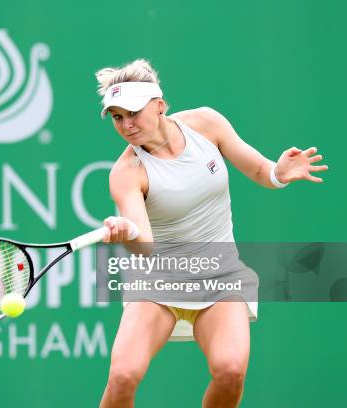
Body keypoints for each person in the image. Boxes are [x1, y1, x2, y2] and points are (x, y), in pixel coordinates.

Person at [96, 59, 328, 408]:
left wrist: (278, 172)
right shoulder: (126, 173)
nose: (126, 125)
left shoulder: (206, 123)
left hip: (221, 275)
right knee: (123, 376)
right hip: (159, 282)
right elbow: (144, 246)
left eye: (132, 113)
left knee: (231, 370)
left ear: (159, 105)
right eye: (116, 117)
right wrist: (124, 231)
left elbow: (260, 170)